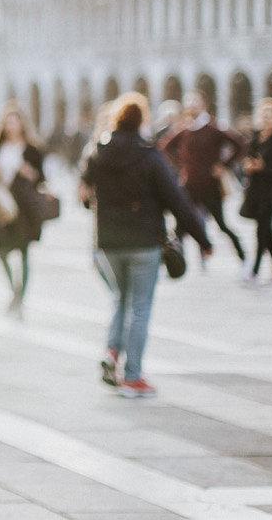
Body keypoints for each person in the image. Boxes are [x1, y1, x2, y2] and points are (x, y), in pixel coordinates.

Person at [81, 93, 211, 398]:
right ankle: (133, 375)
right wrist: (202, 238)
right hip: (142, 241)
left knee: (120, 298)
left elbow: (86, 191)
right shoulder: (149, 155)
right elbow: (176, 200)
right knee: (139, 306)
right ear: (142, 120)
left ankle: (111, 353)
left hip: (109, 242)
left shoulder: (98, 152)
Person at [160, 91, 248, 264]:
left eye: (195, 101)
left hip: (209, 185)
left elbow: (240, 144)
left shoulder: (214, 127)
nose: (191, 105)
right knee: (180, 226)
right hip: (189, 184)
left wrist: (224, 165)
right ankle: (173, 262)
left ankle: (243, 258)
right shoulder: (184, 129)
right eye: (188, 102)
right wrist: (182, 163)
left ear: (204, 105)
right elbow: (166, 146)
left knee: (222, 225)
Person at [0, 102, 48, 317]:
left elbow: (42, 177)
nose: (11, 127)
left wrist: (29, 172)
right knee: (1, 251)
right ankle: (14, 291)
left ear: (22, 124)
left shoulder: (31, 149)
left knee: (23, 252)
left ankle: (19, 298)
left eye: (14, 122)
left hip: (25, 207)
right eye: (7, 123)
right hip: (3, 207)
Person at [238, 98, 272, 286]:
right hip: (255, 192)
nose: (266, 117)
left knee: (262, 231)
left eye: (270, 113)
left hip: (271, 192)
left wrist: (263, 167)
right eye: (264, 113)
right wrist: (248, 166)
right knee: (266, 230)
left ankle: (255, 270)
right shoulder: (256, 137)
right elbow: (247, 158)